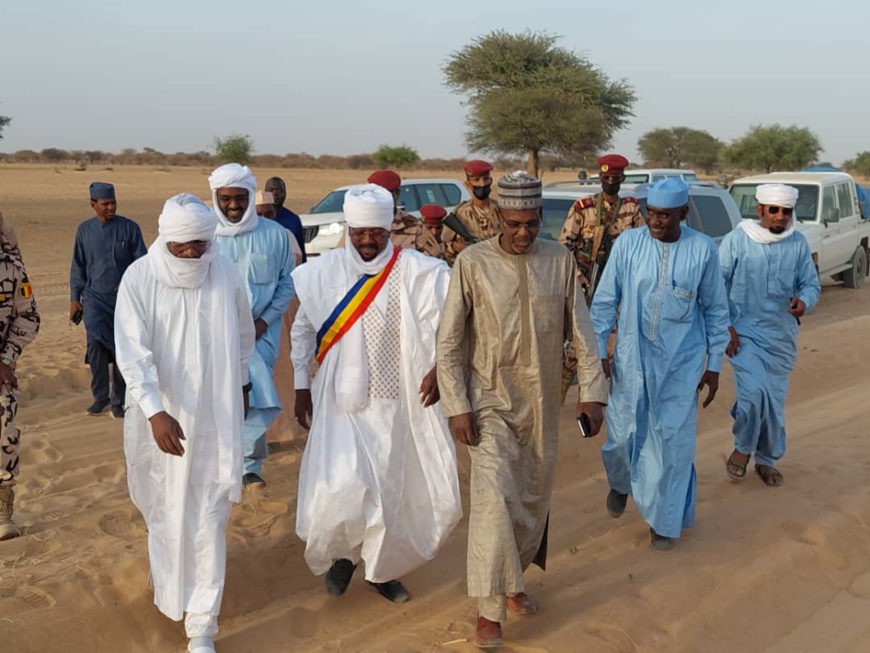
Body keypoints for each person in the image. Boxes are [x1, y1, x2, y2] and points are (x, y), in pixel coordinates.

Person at [437, 171, 609, 648]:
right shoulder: (472, 263)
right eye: (514, 223)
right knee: (494, 499)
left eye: (532, 224)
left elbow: (583, 331)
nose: (523, 233)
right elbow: (449, 342)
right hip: (488, 399)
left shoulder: (558, 260)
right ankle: (489, 609)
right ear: (497, 217)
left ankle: (514, 582)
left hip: (542, 402)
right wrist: (457, 404)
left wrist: (592, 393)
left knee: (530, 497)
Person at [291, 184, 461, 605]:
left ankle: (383, 569)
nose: (367, 242)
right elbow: (302, 331)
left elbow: (452, 327)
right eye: (359, 233)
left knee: (388, 487)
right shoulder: (323, 273)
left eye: (376, 234)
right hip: (338, 401)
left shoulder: (420, 272)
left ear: (389, 230)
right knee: (342, 483)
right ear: (348, 228)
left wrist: (442, 369)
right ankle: (344, 557)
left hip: (398, 401)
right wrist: (299, 385)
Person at [115, 194, 255, 653]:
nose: (194, 252)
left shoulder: (226, 272)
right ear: (166, 238)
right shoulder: (140, 278)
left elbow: (242, 335)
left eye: (201, 242)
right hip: (162, 422)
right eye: (184, 245)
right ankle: (172, 589)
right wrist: (155, 410)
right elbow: (132, 352)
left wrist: (241, 385)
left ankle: (202, 626)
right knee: (166, 509)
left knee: (209, 516)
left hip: (216, 417)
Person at [589, 178, 730, 552]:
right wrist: (600, 351)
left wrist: (713, 364)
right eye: (652, 213)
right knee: (622, 437)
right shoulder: (628, 245)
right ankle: (620, 483)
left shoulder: (701, 251)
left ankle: (663, 521)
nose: (656, 221)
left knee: (671, 444)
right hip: (631, 361)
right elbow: (604, 303)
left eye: (665, 215)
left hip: (680, 366)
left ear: (683, 213)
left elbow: (716, 312)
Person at [720, 184, 820, 487]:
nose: (779, 217)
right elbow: (715, 287)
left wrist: (803, 302)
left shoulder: (798, 243)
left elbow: (811, 284)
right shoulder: (737, 240)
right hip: (744, 334)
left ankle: (766, 459)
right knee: (753, 396)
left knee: (773, 403)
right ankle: (742, 450)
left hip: (781, 336)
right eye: (773, 210)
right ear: (760, 209)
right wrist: (726, 327)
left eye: (786, 211)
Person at [210, 164, 295, 488]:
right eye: (226, 198)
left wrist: (262, 322)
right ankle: (224, 461)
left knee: (255, 396)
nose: (234, 205)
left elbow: (286, 284)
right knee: (221, 398)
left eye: (240, 198)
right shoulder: (206, 235)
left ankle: (247, 465)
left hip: (261, 333)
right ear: (216, 198)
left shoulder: (275, 235)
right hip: (215, 333)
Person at [558, 154, 644, 404]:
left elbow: (640, 246)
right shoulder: (583, 208)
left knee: (618, 348)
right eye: (606, 178)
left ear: (621, 179)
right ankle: (561, 400)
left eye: (615, 179)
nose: (610, 182)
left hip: (622, 288)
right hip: (588, 286)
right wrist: (579, 276)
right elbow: (565, 247)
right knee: (580, 344)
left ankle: (612, 401)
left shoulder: (631, 208)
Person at [70, 182, 146, 418]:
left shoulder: (130, 228)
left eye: (113, 202)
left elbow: (142, 265)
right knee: (95, 345)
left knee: (122, 349)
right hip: (93, 298)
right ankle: (100, 397)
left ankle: (119, 399)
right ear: (93, 205)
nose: (110, 207)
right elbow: (78, 266)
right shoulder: (84, 230)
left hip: (124, 300)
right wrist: (75, 298)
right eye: (105, 204)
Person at [0, 215, 40, 541]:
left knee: (4, 439)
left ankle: (3, 513)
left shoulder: (12, 268)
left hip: (1, 374)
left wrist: (7, 358)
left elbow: (29, 316)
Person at [441, 160, 503, 265]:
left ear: (491, 181)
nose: (482, 184)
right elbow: (445, 243)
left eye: (486, 179)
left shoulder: (501, 211)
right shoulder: (460, 213)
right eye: (476, 180)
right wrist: (457, 247)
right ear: (468, 184)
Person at [264, 176, 307, 263]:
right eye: (271, 190)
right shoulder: (257, 218)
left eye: (279, 191)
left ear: (285, 194)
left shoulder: (293, 220)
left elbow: (301, 253)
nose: (274, 194)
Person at [256, 190, 302, 265]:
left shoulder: (286, 235)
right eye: (259, 215)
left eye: (268, 214)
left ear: (275, 213)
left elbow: (297, 261)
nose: (264, 219)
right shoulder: (246, 237)